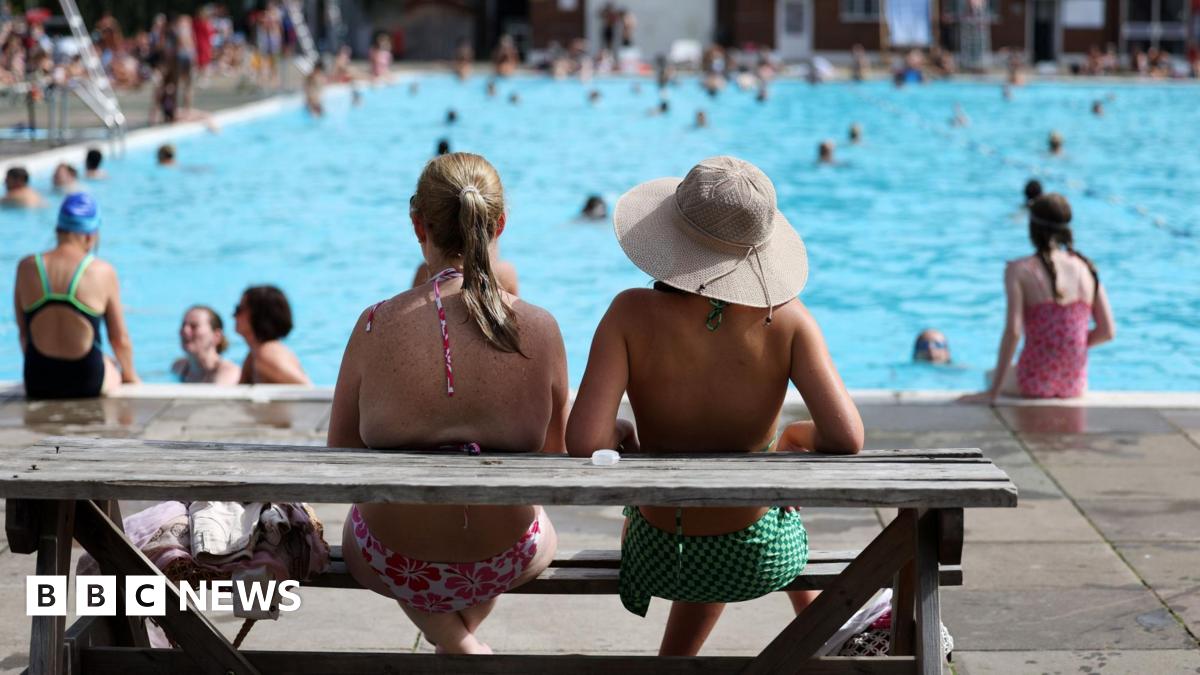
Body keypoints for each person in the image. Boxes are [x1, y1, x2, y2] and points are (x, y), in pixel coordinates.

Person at [566, 156, 864, 656]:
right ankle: (826, 633)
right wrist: (793, 438)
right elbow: (846, 438)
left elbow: (583, 444)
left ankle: (677, 661)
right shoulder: (787, 320)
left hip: (659, 553)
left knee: (677, 516)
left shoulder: (629, 313)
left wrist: (619, 430)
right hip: (759, 554)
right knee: (765, 507)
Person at [327, 152, 568, 654]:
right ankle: (459, 645)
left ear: (418, 224)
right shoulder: (541, 328)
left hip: (390, 557)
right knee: (532, 527)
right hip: (505, 554)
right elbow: (555, 456)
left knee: (379, 537)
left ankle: (457, 646)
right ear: (499, 222)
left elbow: (341, 451)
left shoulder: (373, 325)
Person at [961, 194, 1114, 403]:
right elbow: (1107, 332)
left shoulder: (1019, 270)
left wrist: (993, 393)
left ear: (1032, 228)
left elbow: (1013, 332)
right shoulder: (1087, 268)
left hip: (1033, 381)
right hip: (1075, 383)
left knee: (989, 375)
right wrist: (1069, 343)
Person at [13, 193, 139, 398]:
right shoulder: (101, 271)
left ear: (58, 229)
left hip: (38, 380)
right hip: (86, 381)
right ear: (90, 236)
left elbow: (23, 334)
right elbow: (119, 339)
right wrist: (131, 378)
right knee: (110, 364)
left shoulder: (26, 267)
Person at [234, 285, 310, 385]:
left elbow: (307, 389)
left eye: (239, 309)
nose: (234, 315)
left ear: (258, 315)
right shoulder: (254, 355)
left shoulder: (267, 354)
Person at [172, 305, 240, 384]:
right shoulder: (178, 367)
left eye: (194, 326)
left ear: (216, 336)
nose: (185, 331)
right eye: (183, 325)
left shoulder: (229, 373)